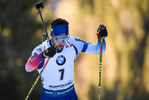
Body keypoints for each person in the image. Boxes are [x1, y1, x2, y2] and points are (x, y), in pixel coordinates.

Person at [25, 18, 108, 100]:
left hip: (70, 95)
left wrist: (101, 39)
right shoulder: (42, 48)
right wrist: (43, 55)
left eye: (65, 39)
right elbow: (28, 67)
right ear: (51, 36)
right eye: (59, 39)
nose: (62, 43)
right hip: (50, 96)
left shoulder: (72, 43)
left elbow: (99, 49)